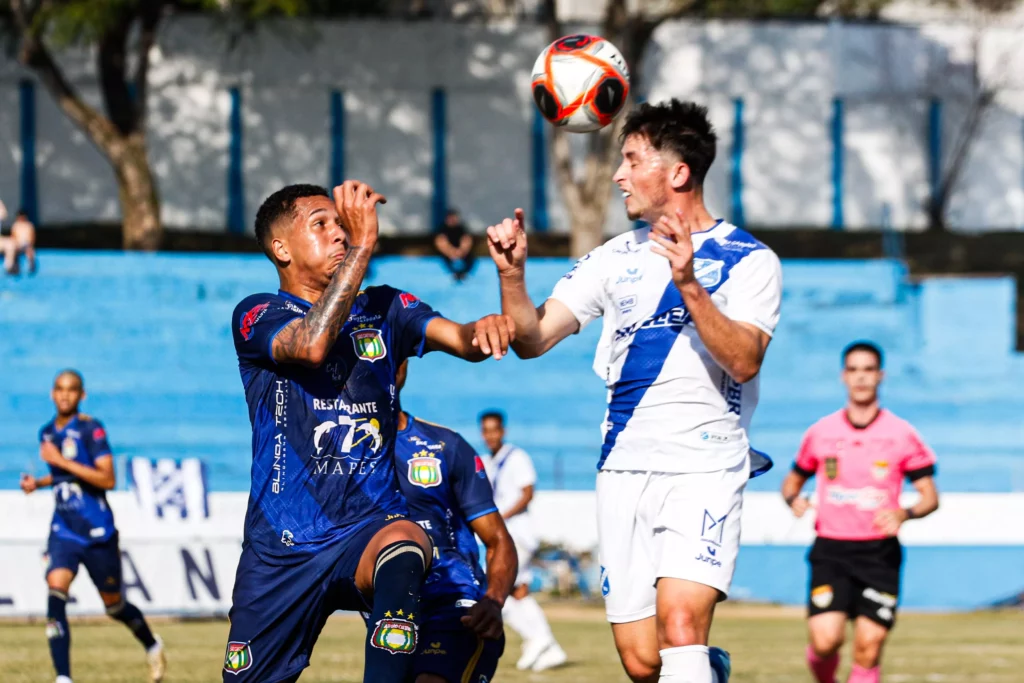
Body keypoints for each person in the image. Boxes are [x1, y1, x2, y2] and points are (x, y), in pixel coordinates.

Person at [484, 99, 784, 683]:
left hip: (705, 465)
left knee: (679, 628)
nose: (619, 175)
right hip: (623, 469)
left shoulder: (750, 260)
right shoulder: (614, 256)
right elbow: (533, 338)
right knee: (644, 661)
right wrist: (512, 276)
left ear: (677, 173)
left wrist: (688, 284)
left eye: (631, 160)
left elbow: (744, 361)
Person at [223, 182, 516, 683]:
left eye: (342, 224)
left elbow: (463, 340)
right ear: (281, 249)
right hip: (283, 547)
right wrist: (362, 248)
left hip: (368, 527)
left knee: (405, 543)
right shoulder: (257, 315)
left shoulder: (388, 307)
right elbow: (312, 345)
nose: (339, 233)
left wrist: (486, 322)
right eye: (322, 225)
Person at [781, 342, 940, 683]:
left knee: (869, 645)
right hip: (831, 549)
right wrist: (793, 499)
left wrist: (905, 514)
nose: (861, 378)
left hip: (878, 553)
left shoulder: (902, 434)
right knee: (826, 641)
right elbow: (791, 482)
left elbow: (930, 497)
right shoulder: (821, 432)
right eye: (853, 370)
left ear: (880, 375)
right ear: (843, 376)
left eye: (868, 369)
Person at [19, 370, 167, 683]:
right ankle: (63, 678)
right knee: (56, 589)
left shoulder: (91, 429)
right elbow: (64, 479)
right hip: (64, 530)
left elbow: (107, 479)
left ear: (81, 395)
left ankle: (152, 644)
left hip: (98, 532)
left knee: (113, 606)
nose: (64, 395)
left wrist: (59, 461)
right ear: (51, 393)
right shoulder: (46, 432)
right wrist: (40, 482)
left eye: (71, 390)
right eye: (59, 389)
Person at [388, 359, 517, 682]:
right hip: (390, 610)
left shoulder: (445, 446)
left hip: (455, 603)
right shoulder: (336, 455)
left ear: (401, 366)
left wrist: (494, 600)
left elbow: (498, 539)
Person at [478, 410, 568, 672]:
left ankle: (538, 640)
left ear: (502, 431)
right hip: (503, 535)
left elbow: (527, 493)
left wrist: (501, 516)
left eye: (494, 430)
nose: (490, 435)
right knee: (517, 591)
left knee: (496, 589)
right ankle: (548, 646)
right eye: (486, 430)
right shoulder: (487, 461)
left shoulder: (516, 457)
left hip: (517, 534)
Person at [434, 208, 475, 283]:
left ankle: (464, 273)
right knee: (445, 260)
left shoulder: (461, 228)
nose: (452, 220)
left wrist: (461, 251)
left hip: (461, 253)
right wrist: (451, 252)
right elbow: (441, 242)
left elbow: (466, 240)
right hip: (447, 254)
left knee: (470, 259)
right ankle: (453, 273)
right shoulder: (442, 229)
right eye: (450, 218)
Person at [4, 208, 37, 275]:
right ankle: (11, 268)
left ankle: (30, 268)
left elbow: (32, 237)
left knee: (30, 252)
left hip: (27, 244)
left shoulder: (29, 225)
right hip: (17, 244)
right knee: (11, 251)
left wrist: (29, 245)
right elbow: (13, 236)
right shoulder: (15, 225)